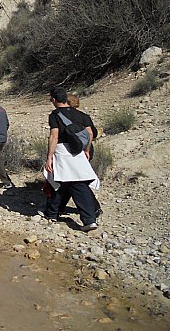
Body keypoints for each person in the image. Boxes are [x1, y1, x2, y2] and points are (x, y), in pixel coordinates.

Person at [42, 86, 100, 231]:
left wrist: (49, 157)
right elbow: (90, 133)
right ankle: (52, 213)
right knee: (66, 183)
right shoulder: (81, 115)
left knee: (69, 183)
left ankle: (88, 220)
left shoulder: (54, 115)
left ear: (54, 100)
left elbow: (54, 136)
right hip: (78, 152)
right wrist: (86, 150)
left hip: (62, 153)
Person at [56, 93, 103, 217]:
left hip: (73, 151)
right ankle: (58, 207)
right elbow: (93, 133)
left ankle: (93, 209)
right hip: (86, 149)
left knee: (77, 181)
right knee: (72, 181)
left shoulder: (61, 117)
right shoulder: (83, 116)